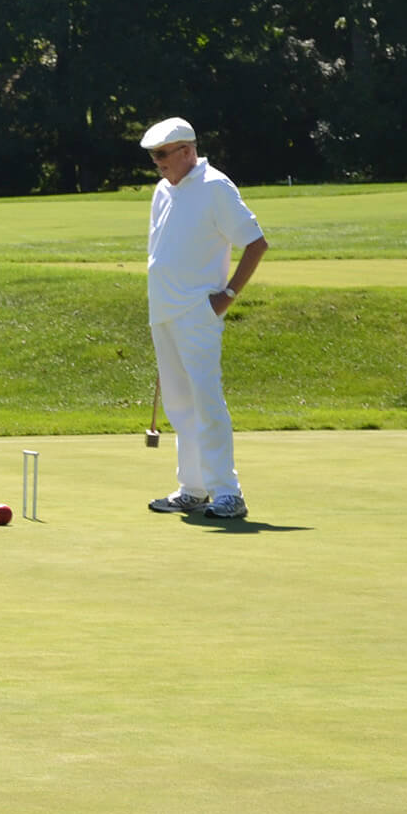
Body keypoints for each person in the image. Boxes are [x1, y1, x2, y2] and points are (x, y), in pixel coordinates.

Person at [141, 117, 268, 519]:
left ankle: (228, 492)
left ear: (187, 151)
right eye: (153, 156)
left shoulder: (216, 187)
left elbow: (255, 243)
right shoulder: (163, 191)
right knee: (180, 405)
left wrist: (226, 296)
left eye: (162, 155)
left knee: (206, 400)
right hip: (163, 311)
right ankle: (192, 488)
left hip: (197, 312)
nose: (157, 163)